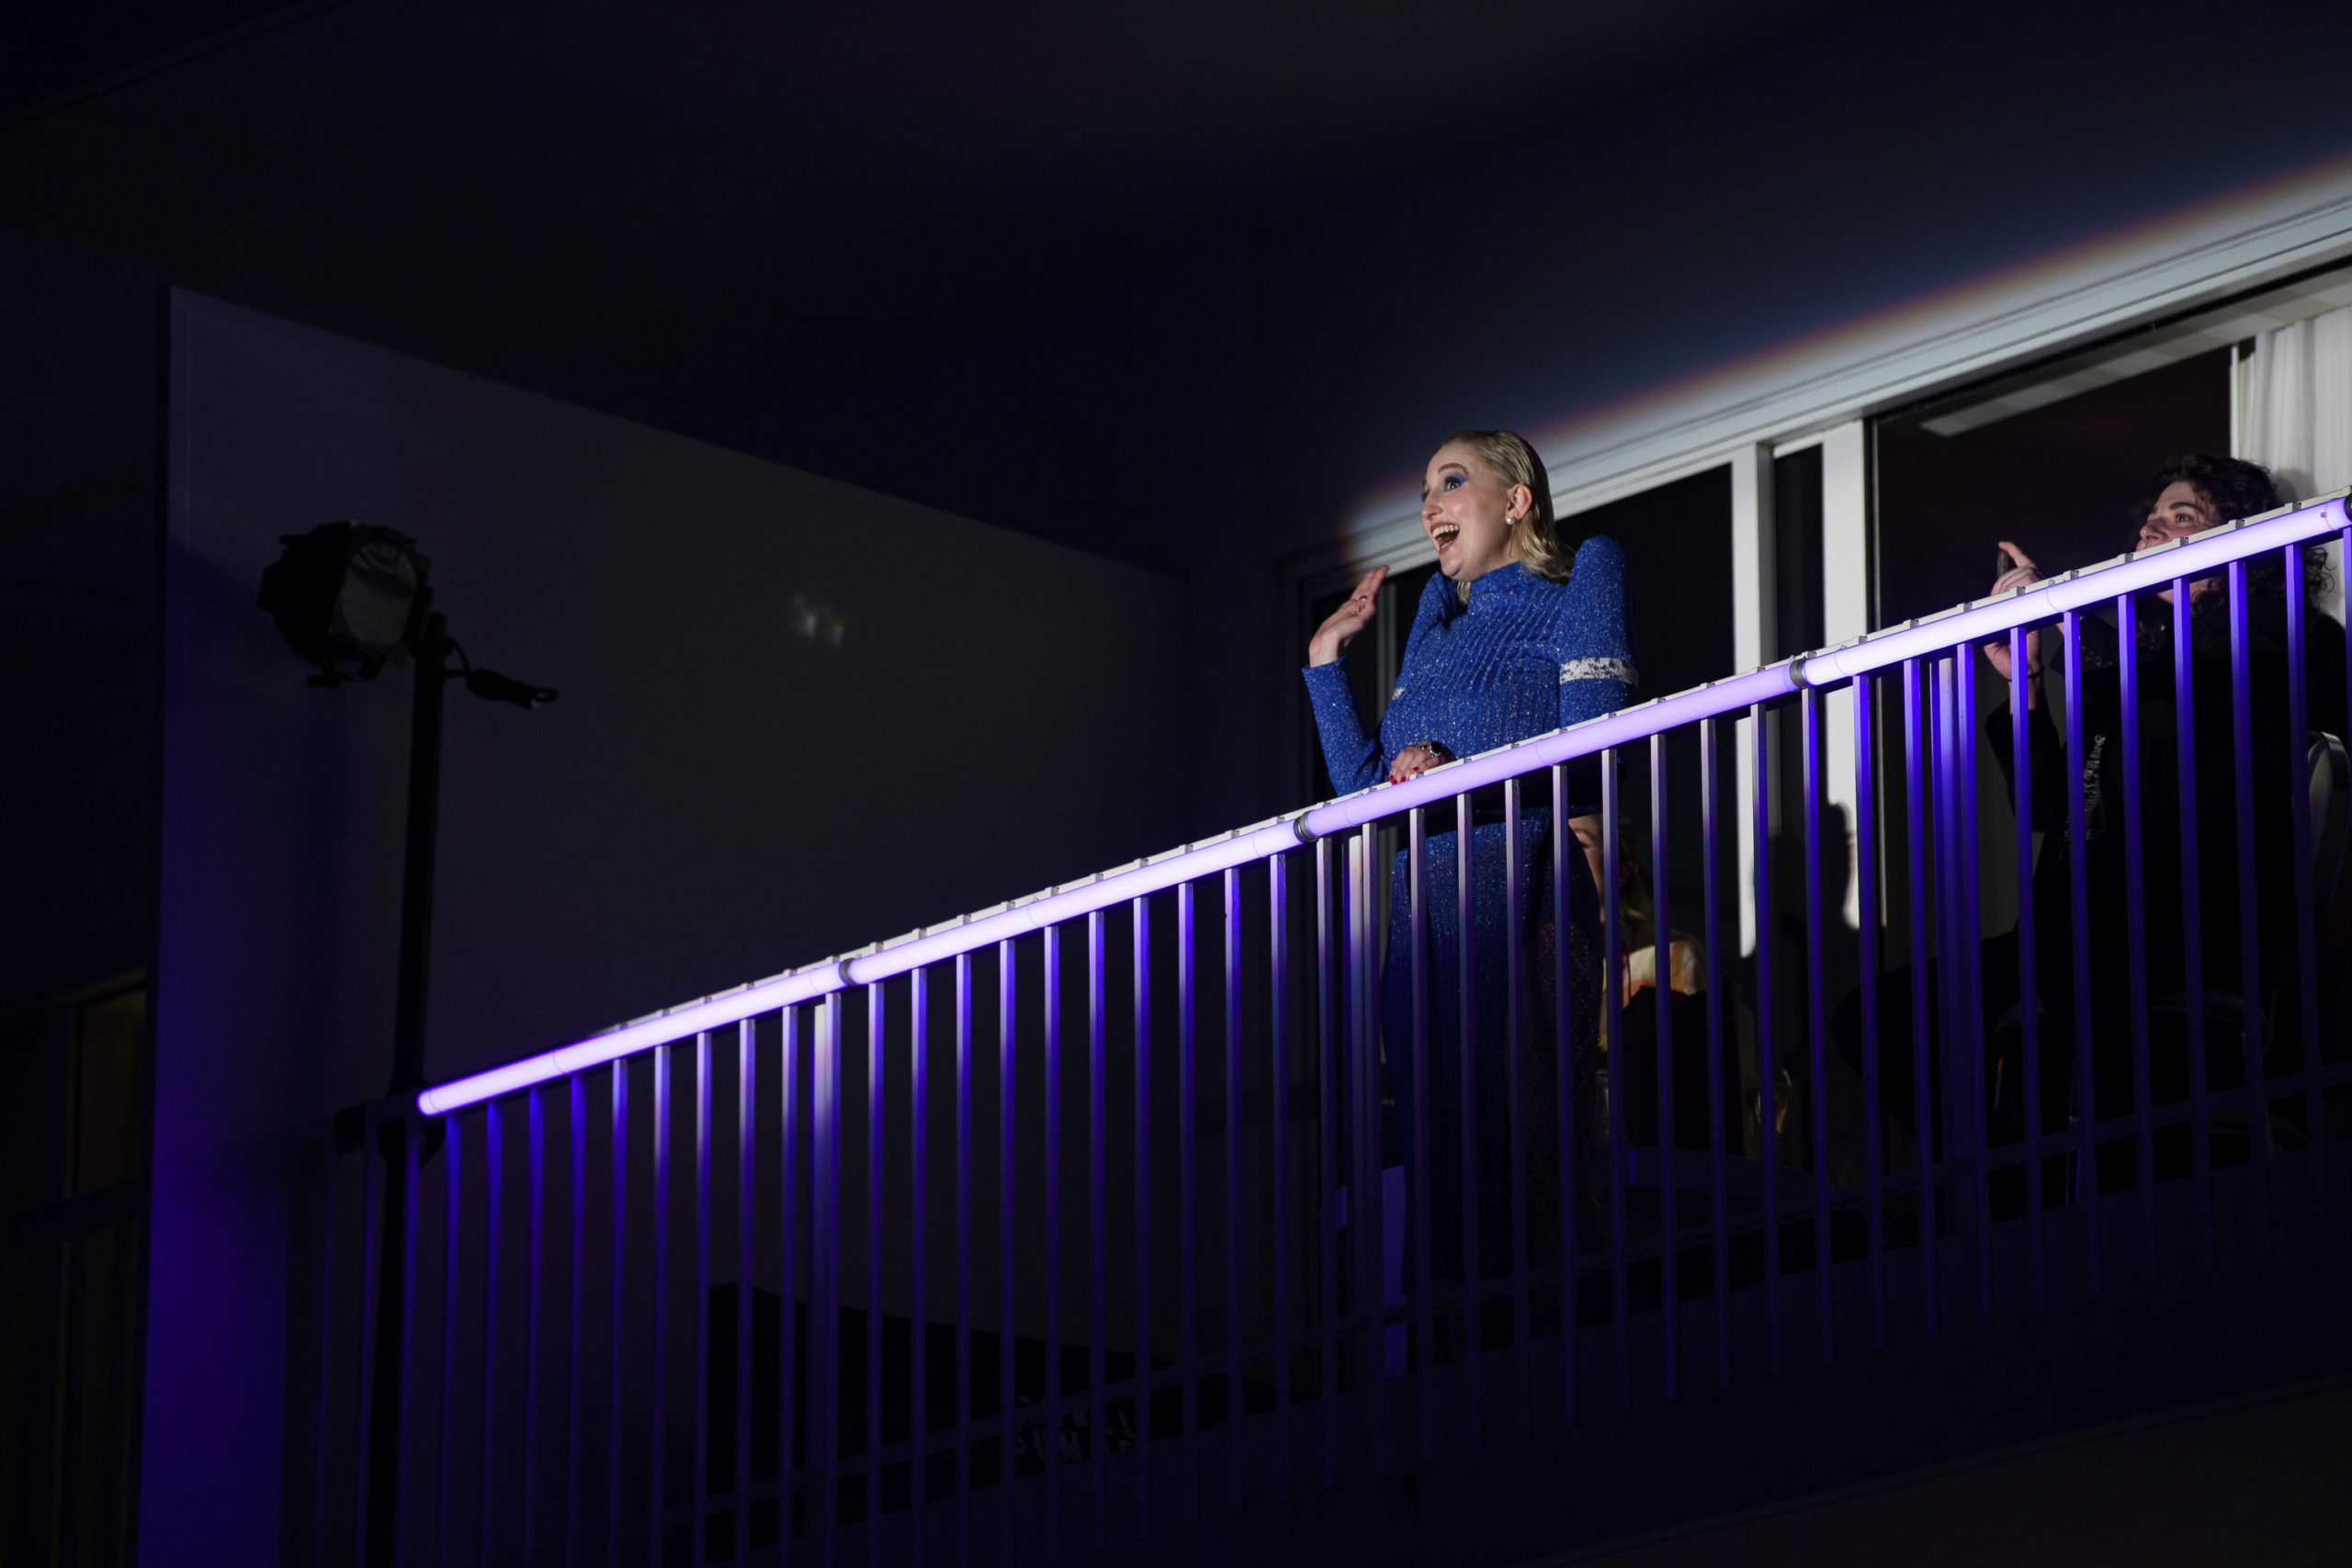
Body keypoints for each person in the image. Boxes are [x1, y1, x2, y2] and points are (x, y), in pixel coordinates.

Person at [1836, 454, 2346, 1183]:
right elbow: (2050, 805)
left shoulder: (2285, 636)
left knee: (2071, 1058)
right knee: (1882, 1016)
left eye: (2182, 516)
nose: (2151, 528)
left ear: (2247, 543)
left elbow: (2205, 718)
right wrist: (2025, 681)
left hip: (2183, 931)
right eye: (2151, 516)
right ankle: (2002, 1186)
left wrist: (2068, 618)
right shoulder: (2136, 664)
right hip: (2078, 935)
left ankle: (2028, 1189)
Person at [1303, 430, 1637, 1279]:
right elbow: (1364, 787)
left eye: (1451, 482)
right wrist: (1324, 659)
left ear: (1516, 500)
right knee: (1440, 1175)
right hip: (1427, 929)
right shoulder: (1434, 618)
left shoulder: (1584, 576)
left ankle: (1560, 1339)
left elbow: (1596, 750)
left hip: (1526, 895)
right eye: (1424, 491)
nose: (1429, 506)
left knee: (1528, 1155)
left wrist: (1458, 768)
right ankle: (1451, 1351)